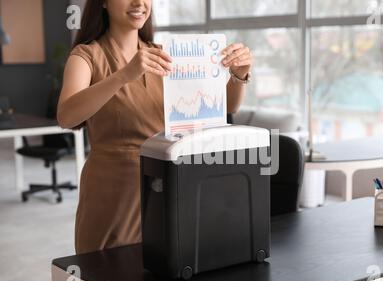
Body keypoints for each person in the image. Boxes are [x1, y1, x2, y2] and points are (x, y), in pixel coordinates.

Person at [57, 0, 253, 256]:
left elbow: (223, 107)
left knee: (164, 280)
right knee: (110, 280)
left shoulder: (166, 54)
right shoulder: (86, 55)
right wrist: (123, 75)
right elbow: (67, 116)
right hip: (114, 193)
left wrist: (238, 75)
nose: (139, 3)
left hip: (169, 184)